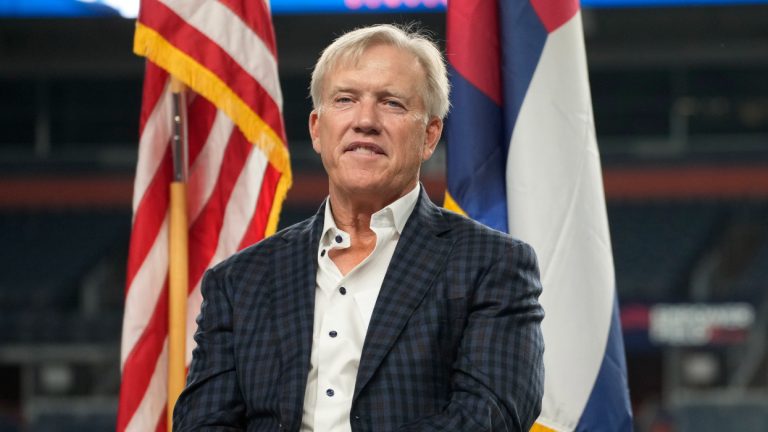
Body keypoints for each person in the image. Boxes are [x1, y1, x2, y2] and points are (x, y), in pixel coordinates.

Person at [173, 24, 544, 432]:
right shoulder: (238, 280)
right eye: (345, 100)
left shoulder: (494, 266)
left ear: (430, 136)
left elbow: (487, 418)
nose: (365, 121)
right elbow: (203, 424)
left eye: (392, 104)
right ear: (317, 129)